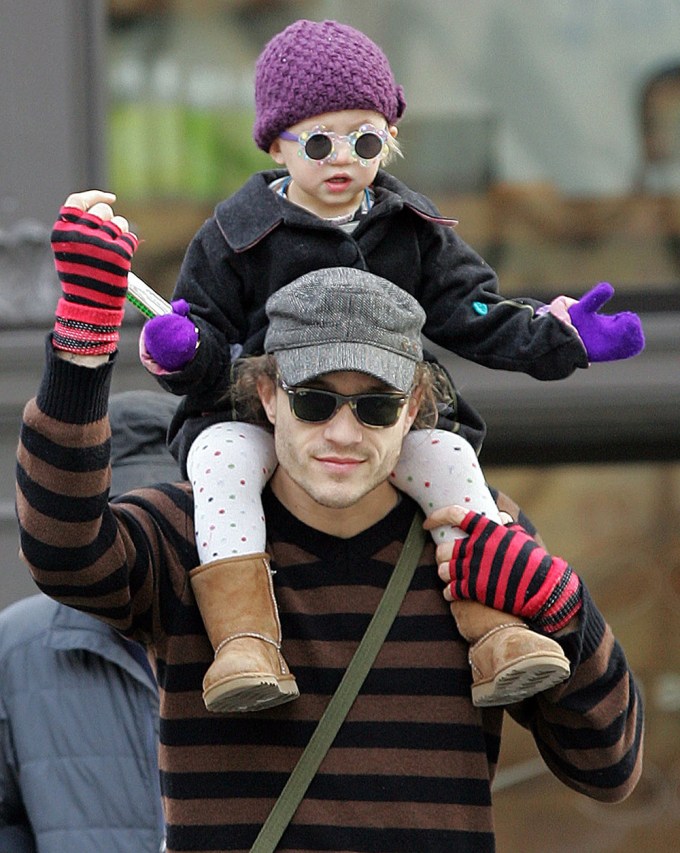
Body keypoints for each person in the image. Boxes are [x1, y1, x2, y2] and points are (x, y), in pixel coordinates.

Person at [16, 192, 643, 853]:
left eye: (376, 406)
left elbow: (608, 766)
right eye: (315, 400)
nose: (344, 432)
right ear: (267, 394)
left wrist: (565, 609)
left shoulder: (477, 530)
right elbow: (63, 549)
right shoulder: (191, 528)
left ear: (415, 408)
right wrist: (83, 344)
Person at [137, 18, 645, 714]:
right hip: (260, 414)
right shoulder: (235, 231)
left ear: (390, 139)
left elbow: (470, 311)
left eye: (366, 139)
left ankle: (495, 632)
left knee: (450, 459)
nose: (343, 157)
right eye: (319, 141)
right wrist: (183, 352)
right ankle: (244, 642)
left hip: (384, 417)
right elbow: (206, 335)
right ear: (277, 144)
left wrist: (557, 336)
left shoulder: (411, 224)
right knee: (218, 461)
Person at [2, 389, 178, 852]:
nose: (139, 541)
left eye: (162, 517)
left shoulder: (258, 633)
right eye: (120, 521)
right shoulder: (15, 647)